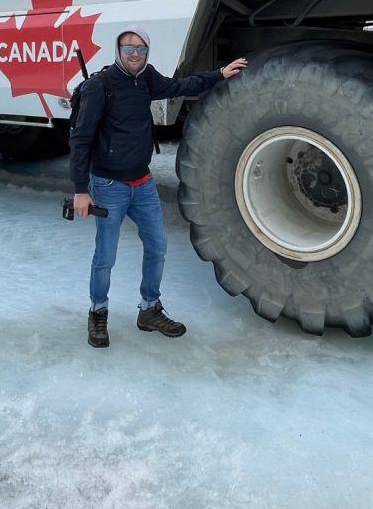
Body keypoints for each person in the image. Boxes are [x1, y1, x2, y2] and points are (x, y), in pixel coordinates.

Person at [70, 29, 247, 348]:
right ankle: (98, 312)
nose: (135, 54)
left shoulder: (147, 78)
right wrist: (82, 190)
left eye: (140, 48)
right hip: (109, 185)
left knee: (157, 247)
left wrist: (219, 74)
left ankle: (149, 310)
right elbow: (80, 139)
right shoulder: (101, 86)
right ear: (118, 50)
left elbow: (181, 86)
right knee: (105, 255)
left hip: (142, 183)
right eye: (128, 48)